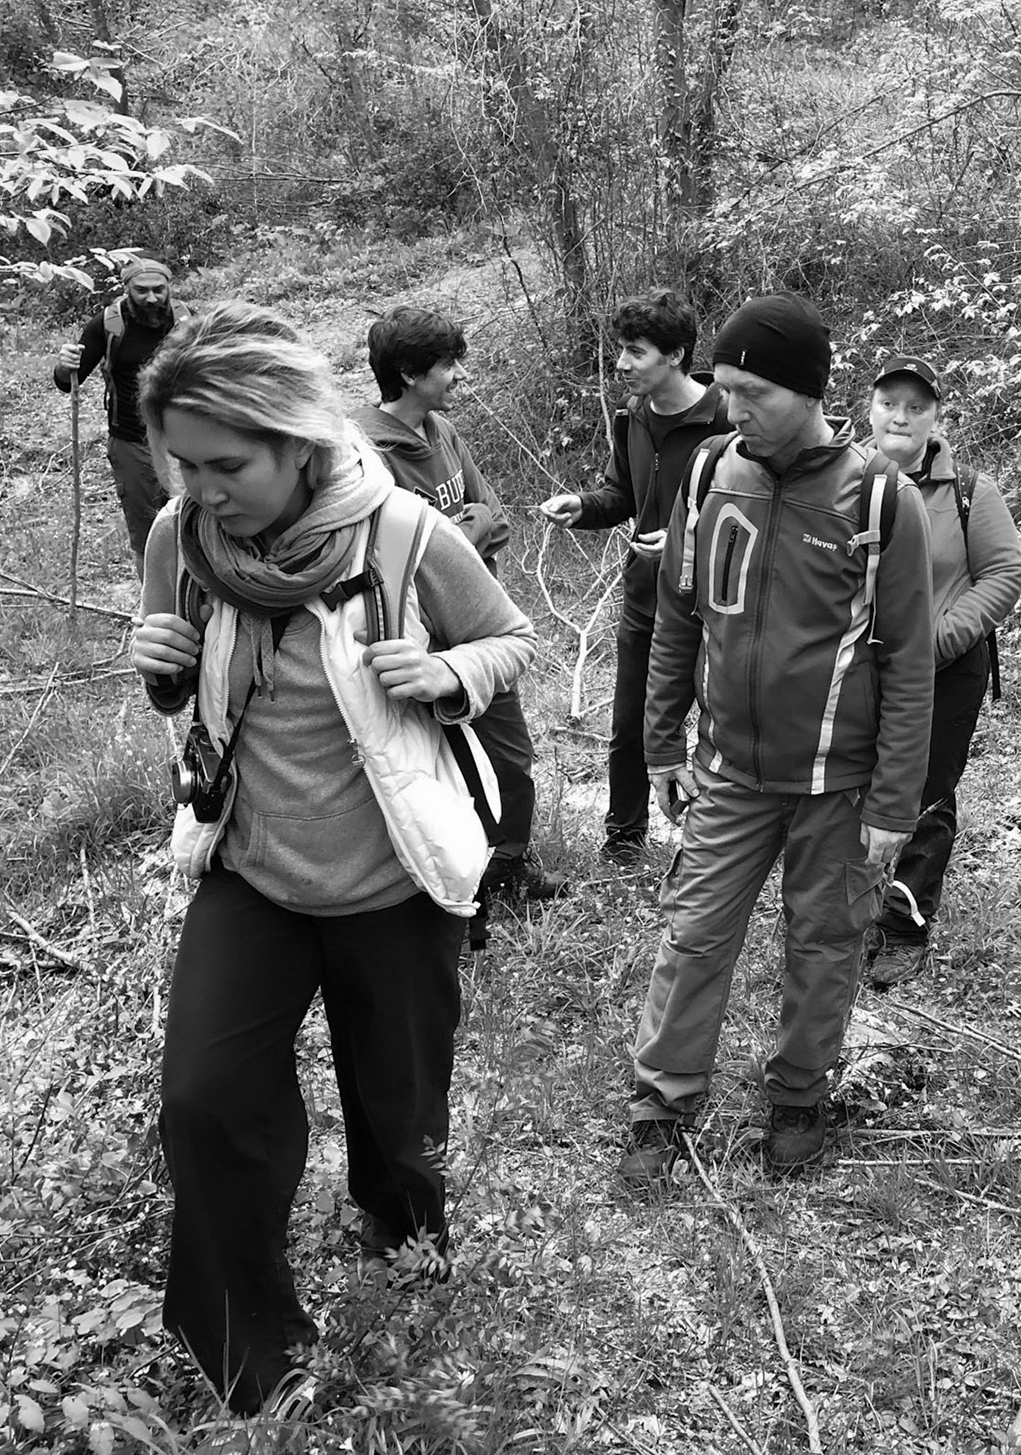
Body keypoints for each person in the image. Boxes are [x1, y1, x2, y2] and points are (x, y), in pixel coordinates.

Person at [127, 303, 537, 1419]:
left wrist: (449, 674)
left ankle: (405, 1252)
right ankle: (252, 1354)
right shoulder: (184, 537)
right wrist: (159, 665)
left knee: (400, 1116)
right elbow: (187, 692)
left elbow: (511, 639)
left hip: (394, 881)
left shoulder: (404, 535)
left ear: (297, 441)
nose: (203, 489)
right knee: (205, 1103)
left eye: (227, 465)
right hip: (250, 869)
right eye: (184, 465)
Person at [620, 293, 934, 1186]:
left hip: (836, 780)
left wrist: (893, 803)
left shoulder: (879, 498)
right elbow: (680, 615)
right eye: (725, 388)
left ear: (806, 391)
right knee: (694, 933)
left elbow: (910, 661)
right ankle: (661, 1105)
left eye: (753, 391)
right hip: (727, 769)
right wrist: (662, 742)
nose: (733, 408)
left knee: (824, 938)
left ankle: (800, 1096)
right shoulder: (710, 472)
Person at [351, 306, 566, 921]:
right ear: (410, 373)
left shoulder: (441, 432)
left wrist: (451, 537)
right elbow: (390, 559)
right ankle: (457, 880)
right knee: (446, 768)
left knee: (509, 753)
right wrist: (456, 537)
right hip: (422, 647)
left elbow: (492, 512)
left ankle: (510, 865)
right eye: (447, 365)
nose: (458, 375)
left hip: (477, 633)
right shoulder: (369, 455)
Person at [538, 290, 730, 864]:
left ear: (674, 355)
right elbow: (624, 494)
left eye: (634, 351)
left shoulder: (727, 418)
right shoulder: (634, 418)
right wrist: (584, 505)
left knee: (723, 725)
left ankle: (719, 841)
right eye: (620, 350)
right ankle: (623, 841)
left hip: (720, 606)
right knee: (630, 724)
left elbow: (756, 511)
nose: (620, 364)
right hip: (647, 600)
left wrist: (685, 543)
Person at [860, 356, 1021, 989]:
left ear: (936, 417)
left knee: (926, 791)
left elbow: (1005, 573)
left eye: (915, 407)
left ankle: (903, 924)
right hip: (857, 667)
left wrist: (938, 640)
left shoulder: (968, 491)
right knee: (852, 783)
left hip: (944, 668)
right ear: (870, 408)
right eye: (888, 403)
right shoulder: (845, 478)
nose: (899, 417)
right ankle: (845, 909)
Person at [53, 255, 184, 576]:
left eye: (159, 289)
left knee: (195, 523)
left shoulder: (187, 322)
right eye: (142, 290)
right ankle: (154, 609)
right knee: (149, 534)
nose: (151, 297)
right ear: (126, 289)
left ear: (169, 287)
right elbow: (66, 382)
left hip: (184, 440)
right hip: (131, 441)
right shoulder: (107, 324)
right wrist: (64, 365)